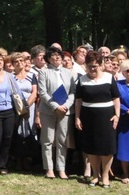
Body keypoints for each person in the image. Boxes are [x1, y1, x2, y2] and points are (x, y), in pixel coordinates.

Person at [75, 51, 120, 188]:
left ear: (101, 65)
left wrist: (117, 115)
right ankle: (95, 175)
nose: (92, 69)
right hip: (88, 117)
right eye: (89, 66)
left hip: (107, 117)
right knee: (92, 147)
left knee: (107, 147)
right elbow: (78, 100)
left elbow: (116, 98)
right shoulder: (82, 80)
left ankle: (105, 176)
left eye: (95, 66)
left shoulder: (109, 78)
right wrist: (77, 117)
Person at [36, 46, 77, 180]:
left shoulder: (68, 72)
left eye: (59, 55)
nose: (57, 57)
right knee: (47, 140)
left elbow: (73, 91)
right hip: (48, 110)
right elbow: (42, 92)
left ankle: (61, 169)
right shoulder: (43, 72)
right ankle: (49, 169)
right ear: (48, 58)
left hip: (65, 110)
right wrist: (55, 106)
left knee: (62, 140)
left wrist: (66, 105)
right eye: (53, 55)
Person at [10, 52, 38, 171]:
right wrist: (20, 108)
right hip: (15, 108)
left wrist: (26, 107)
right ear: (13, 64)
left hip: (29, 107)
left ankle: (28, 159)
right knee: (17, 133)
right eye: (16, 61)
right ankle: (18, 160)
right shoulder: (10, 77)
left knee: (29, 131)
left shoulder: (32, 76)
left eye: (21, 60)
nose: (19, 63)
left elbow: (34, 92)